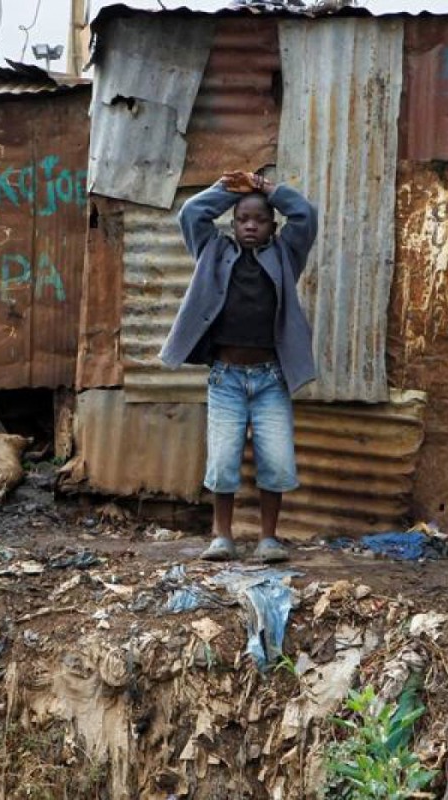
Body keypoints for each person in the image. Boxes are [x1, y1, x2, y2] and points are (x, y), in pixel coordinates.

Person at [160, 170, 318, 562]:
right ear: (232, 222)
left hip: (271, 379)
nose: (250, 226)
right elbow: (191, 214)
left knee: (277, 461)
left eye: (260, 219)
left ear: (272, 226)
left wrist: (269, 190)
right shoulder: (212, 251)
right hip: (225, 379)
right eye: (243, 219)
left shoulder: (286, 255)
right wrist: (226, 189)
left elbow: (306, 216)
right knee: (223, 460)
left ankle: (268, 539)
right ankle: (222, 536)